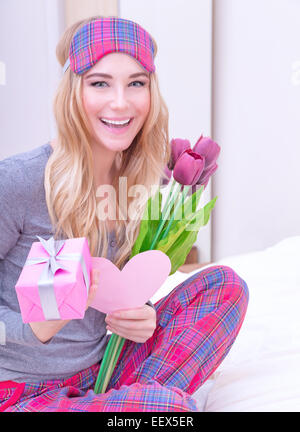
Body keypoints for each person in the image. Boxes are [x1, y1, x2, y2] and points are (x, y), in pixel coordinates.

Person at [0, 16, 248, 412]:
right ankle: (144, 403)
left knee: (225, 285)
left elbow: (120, 289)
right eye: (99, 83)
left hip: (108, 368)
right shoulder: (18, 182)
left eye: (137, 83)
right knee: (163, 410)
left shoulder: (143, 181)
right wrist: (31, 331)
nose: (121, 101)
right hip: (23, 390)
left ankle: (132, 401)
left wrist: (142, 317)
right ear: (72, 91)